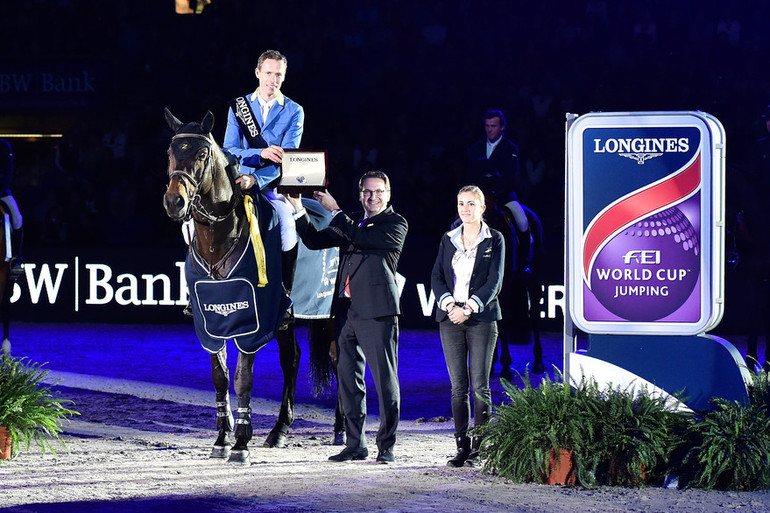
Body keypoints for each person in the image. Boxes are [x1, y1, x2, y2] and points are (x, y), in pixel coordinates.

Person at [286, 170, 408, 464]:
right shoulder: (353, 221)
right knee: (349, 380)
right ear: (360, 194)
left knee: (385, 380)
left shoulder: (395, 223)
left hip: (378, 311)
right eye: (367, 191)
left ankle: (386, 445)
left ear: (388, 195)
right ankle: (356, 444)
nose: (373, 197)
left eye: (379, 192)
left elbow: (362, 238)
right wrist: (298, 208)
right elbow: (315, 241)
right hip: (345, 311)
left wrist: (335, 210)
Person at [223, 49, 304, 305]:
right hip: (237, 181)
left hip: (270, 186)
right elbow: (229, 151)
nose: (273, 79)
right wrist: (261, 152)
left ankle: (285, 295)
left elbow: (287, 159)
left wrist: (257, 180)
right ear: (258, 73)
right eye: (268, 73)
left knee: (288, 225)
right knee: (192, 222)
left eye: (278, 74)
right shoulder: (238, 107)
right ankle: (196, 289)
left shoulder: (294, 111)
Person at [431, 185, 504, 468]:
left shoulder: (495, 239)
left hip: (481, 320)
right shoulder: (447, 239)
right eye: (461, 203)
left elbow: (494, 282)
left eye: (471, 204)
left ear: (483, 207)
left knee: (480, 388)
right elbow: (437, 276)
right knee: (457, 388)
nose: (465, 209)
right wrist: (451, 306)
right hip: (451, 319)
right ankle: (461, 447)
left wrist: (469, 307)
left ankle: (480, 448)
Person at [466, 110, 519, 205]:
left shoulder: (510, 148)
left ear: (502, 127)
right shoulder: (476, 148)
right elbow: (470, 173)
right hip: (478, 195)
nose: (489, 130)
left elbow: (510, 176)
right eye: (487, 126)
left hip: (504, 196)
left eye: (493, 126)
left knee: (522, 220)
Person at [0, 138, 23, 281]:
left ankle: (16, 258)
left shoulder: (3, 147)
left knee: (17, 218)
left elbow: (8, 172)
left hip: (1, 192)